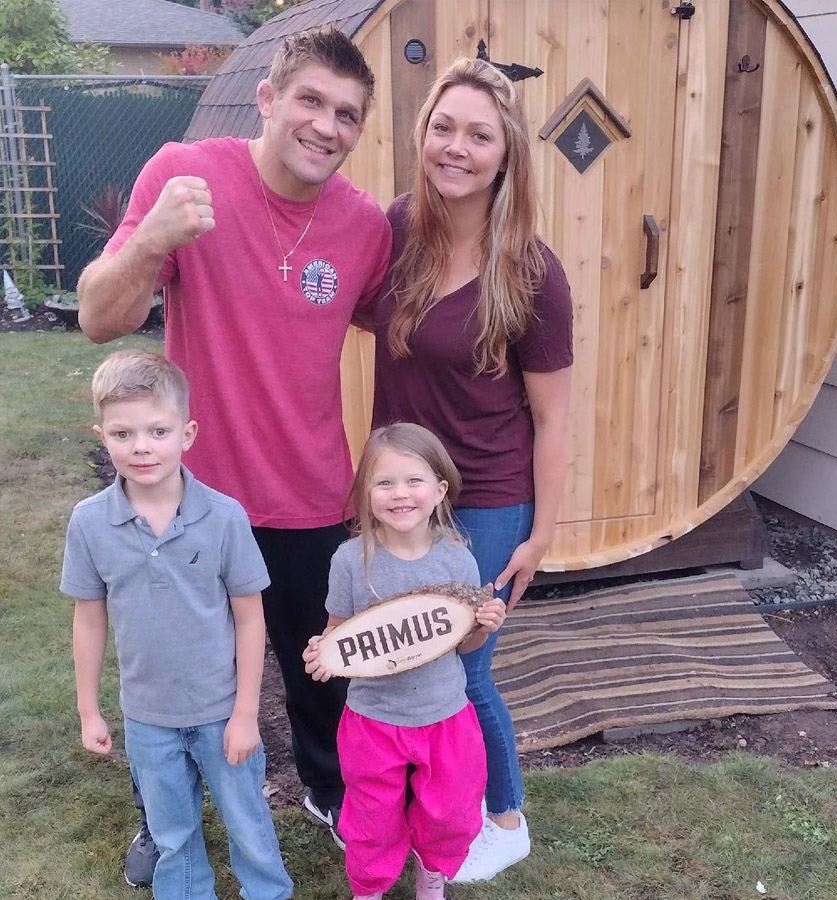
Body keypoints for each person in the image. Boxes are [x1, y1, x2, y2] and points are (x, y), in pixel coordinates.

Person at [76, 28, 393, 880]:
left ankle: (329, 792)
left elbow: (408, 324)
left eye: (347, 115)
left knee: (320, 672)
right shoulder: (187, 174)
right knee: (172, 675)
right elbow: (98, 317)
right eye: (312, 102)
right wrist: (152, 242)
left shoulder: (364, 226)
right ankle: (163, 811)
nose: (327, 126)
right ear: (267, 98)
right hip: (189, 502)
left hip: (311, 495)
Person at [369, 57, 574, 882]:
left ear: (506, 153)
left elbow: (554, 416)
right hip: (400, 496)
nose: (456, 146)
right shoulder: (395, 231)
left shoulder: (531, 270)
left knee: (462, 663)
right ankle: (427, 809)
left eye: (477, 134)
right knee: (411, 655)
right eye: (442, 128)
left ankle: (505, 815)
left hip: (487, 502)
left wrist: (541, 536)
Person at [62, 350, 293, 900]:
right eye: (122, 433)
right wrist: (88, 707)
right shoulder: (90, 522)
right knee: (172, 835)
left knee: (249, 826)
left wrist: (245, 713)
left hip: (220, 713)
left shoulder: (224, 516)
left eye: (157, 430)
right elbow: (89, 619)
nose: (141, 446)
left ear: (187, 433)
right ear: (102, 435)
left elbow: (250, 617)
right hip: (147, 718)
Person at [302, 423, 508, 900]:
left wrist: (481, 625)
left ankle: (432, 871)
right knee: (371, 817)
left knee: (452, 813)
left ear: (439, 490)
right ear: (364, 494)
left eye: (414, 481)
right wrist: (323, 654)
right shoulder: (350, 560)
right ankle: (369, 888)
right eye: (384, 483)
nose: (400, 494)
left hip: (445, 718)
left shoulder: (457, 561)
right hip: (373, 721)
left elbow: (464, 647)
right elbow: (337, 632)